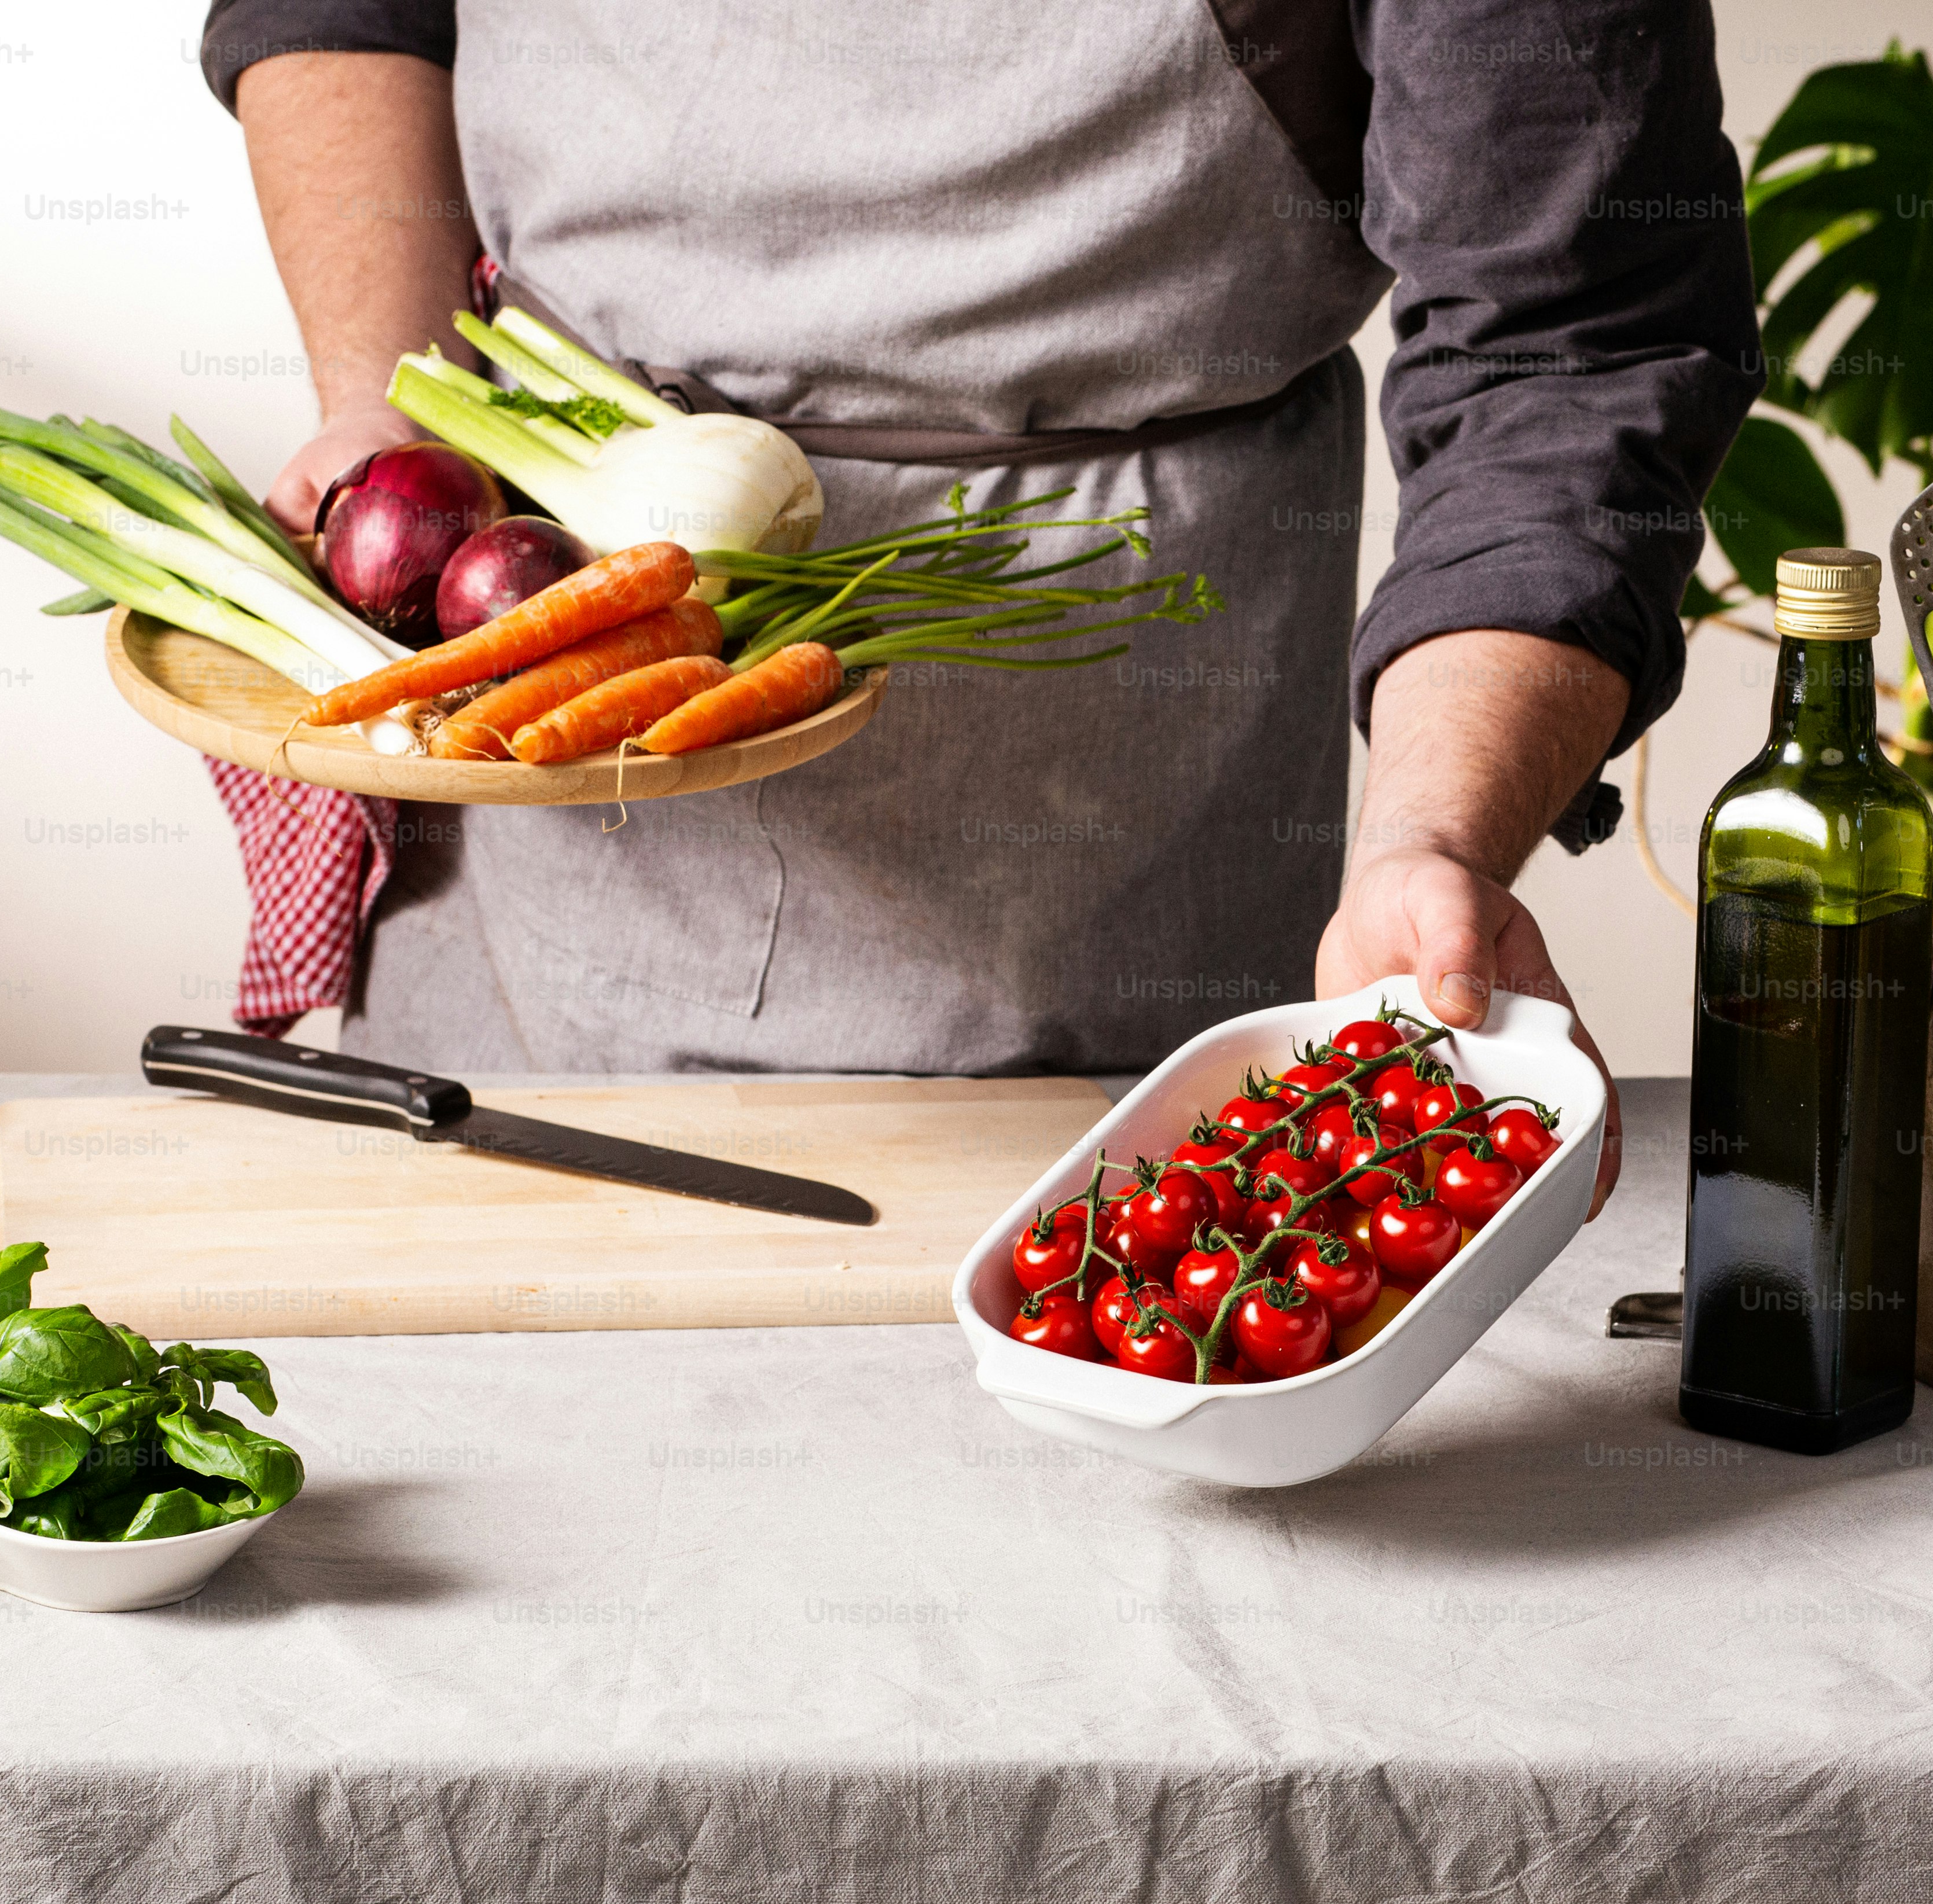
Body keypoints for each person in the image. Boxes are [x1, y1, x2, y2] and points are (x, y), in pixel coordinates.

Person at [201, 0, 1765, 1215]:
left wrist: (1430, 840)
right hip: (527, 852)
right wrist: (382, 405)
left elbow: (1570, 346)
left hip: (1118, 924)